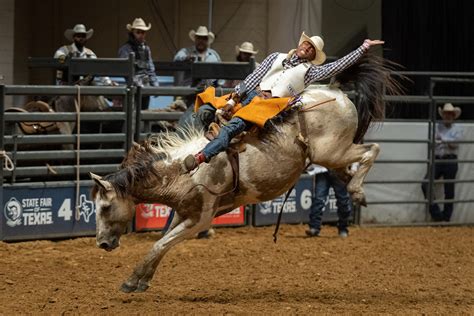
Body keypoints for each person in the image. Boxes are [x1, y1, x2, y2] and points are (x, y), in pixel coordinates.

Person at [182, 32, 384, 172]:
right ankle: (188, 144)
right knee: (207, 103)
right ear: (300, 45)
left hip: (269, 106)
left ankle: (201, 157)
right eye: (306, 44)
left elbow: (337, 66)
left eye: (311, 48)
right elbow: (254, 77)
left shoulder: (310, 71)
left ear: (313, 56)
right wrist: (233, 98)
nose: (306, 47)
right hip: (251, 95)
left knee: (232, 127)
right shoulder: (275, 57)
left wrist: (363, 48)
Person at [421, 103, 463, 222]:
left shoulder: (458, 128)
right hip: (438, 159)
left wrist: (442, 140)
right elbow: (432, 143)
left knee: (449, 190)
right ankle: (438, 216)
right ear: (443, 115)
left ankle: (446, 218)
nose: (447, 116)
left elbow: (455, 144)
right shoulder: (436, 127)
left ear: (453, 116)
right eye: (445, 113)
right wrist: (445, 141)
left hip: (450, 159)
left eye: (450, 114)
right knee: (425, 184)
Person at [118, 18, 159, 110]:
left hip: (145, 88)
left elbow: (150, 68)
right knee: (132, 115)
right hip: (133, 89)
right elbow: (126, 71)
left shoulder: (146, 49)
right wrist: (137, 83)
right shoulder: (125, 49)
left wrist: (155, 85)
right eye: (138, 32)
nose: (141, 35)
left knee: (143, 114)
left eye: (143, 32)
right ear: (133, 32)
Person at [305, 165, 352, 238]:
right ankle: (314, 227)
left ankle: (343, 228)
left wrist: (354, 167)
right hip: (323, 169)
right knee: (318, 199)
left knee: (343, 201)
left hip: (339, 169)